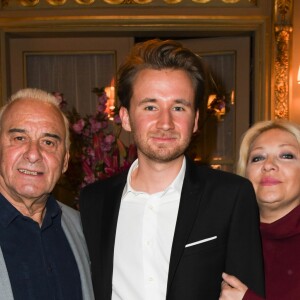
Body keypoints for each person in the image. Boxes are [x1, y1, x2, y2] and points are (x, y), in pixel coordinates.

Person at [79, 39, 265, 299]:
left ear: (196, 120)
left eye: (178, 107)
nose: (165, 123)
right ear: (125, 117)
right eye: (150, 107)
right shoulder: (94, 202)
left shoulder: (231, 196)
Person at [0, 88, 94, 300]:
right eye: (19, 138)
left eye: (49, 142)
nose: (33, 154)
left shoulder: (83, 229)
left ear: (65, 162)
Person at [220, 120, 300, 300]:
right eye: (257, 158)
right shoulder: (222, 239)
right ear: (244, 173)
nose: (269, 165)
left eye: (286, 155)